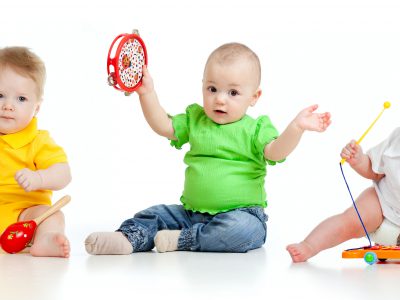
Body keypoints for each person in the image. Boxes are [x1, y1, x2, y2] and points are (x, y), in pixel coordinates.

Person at [85, 42, 331, 255]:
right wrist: (146, 93)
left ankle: (182, 240)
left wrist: (297, 127)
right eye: (212, 89)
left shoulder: (255, 129)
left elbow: (276, 151)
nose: (220, 99)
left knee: (244, 231)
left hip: (241, 214)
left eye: (233, 92)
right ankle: (128, 239)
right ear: (203, 85)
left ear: (254, 97)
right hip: (191, 214)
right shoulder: (196, 119)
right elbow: (164, 125)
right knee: (153, 214)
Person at [287, 129, 400, 262]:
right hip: (384, 201)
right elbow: (374, 170)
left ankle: (388, 244)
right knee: (349, 221)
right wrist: (359, 160)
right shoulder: (397, 138)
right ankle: (309, 246)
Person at [0, 47, 72, 257]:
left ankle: (45, 240)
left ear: (37, 108)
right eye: (0, 95)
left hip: (26, 215)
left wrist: (39, 178)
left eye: (21, 99)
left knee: (53, 216)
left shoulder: (38, 141)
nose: (8, 106)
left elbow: (64, 174)